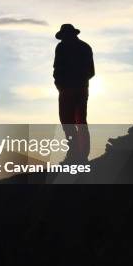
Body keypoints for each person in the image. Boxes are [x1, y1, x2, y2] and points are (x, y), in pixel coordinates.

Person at [53, 24, 95, 162]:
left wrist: (61, 84)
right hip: (80, 89)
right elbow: (91, 72)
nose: (64, 39)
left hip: (69, 89)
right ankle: (80, 154)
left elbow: (57, 69)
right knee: (79, 121)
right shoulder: (85, 47)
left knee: (68, 121)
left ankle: (75, 154)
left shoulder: (62, 47)